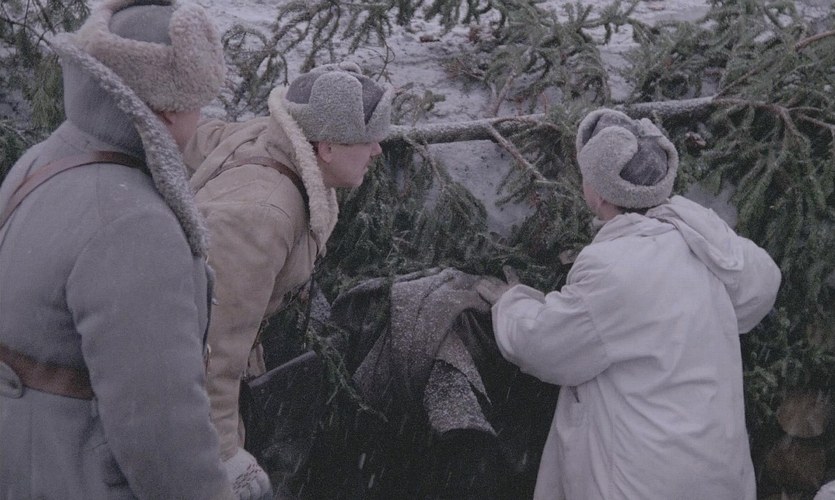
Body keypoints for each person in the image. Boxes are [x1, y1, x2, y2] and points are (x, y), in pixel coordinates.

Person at [0, 0, 255, 498]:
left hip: (22, 453)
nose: (201, 118)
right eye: (198, 101)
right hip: (74, 476)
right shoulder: (134, 223)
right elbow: (163, 432)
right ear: (169, 107)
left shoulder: (43, 159)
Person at [478, 108, 782, 499]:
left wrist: (510, 303)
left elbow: (545, 345)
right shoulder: (704, 241)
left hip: (643, 478)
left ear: (599, 191)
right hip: (715, 469)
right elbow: (757, 289)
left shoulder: (614, 268)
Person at [182, 61, 392, 488]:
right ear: (326, 148)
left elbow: (192, 139)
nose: (378, 150)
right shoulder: (262, 216)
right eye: (366, 139)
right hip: (189, 397)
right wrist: (223, 456)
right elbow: (209, 351)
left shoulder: (272, 138)